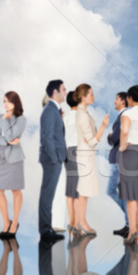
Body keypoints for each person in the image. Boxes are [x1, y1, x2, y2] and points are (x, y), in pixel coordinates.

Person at [74, 83, 110, 236]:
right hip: (85, 156)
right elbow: (92, 141)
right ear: (83, 97)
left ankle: (79, 222)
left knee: (84, 192)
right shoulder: (82, 115)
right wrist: (103, 126)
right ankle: (81, 222)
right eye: (91, 94)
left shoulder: (85, 113)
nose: (94, 97)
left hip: (86, 155)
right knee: (83, 191)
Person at [0, 91, 26, 239]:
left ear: (15, 103)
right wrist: (6, 141)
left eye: (9, 101)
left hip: (14, 159)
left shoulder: (21, 119)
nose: (5, 104)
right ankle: (6, 221)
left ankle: (15, 222)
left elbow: (12, 135)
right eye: (4, 101)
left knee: (15, 191)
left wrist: (5, 123)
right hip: (0, 157)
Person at [119, 85, 138, 244]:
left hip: (130, 152)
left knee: (130, 195)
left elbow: (124, 132)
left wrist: (122, 146)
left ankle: (132, 231)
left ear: (129, 97)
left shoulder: (127, 113)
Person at [38, 79, 67, 242]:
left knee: (49, 194)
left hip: (54, 158)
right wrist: (55, 158)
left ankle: (47, 228)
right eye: (63, 89)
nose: (66, 92)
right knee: (47, 194)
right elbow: (47, 137)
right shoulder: (49, 110)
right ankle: (45, 230)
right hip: (51, 159)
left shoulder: (55, 110)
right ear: (55, 92)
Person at [107, 92, 130, 237]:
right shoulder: (123, 116)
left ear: (122, 101)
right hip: (120, 157)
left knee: (111, 190)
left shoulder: (124, 116)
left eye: (116, 99)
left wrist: (110, 136)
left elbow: (114, 138)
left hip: (118, 158)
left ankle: (130, 221)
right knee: (121, 191)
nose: (114, 101)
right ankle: (129, 222)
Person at [63, 90, 80, 235]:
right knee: (79, 189)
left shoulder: (65, 117)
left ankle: (72, 222)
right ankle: (76, 224)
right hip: (78, 151)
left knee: (70, 189)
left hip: (67, 152)